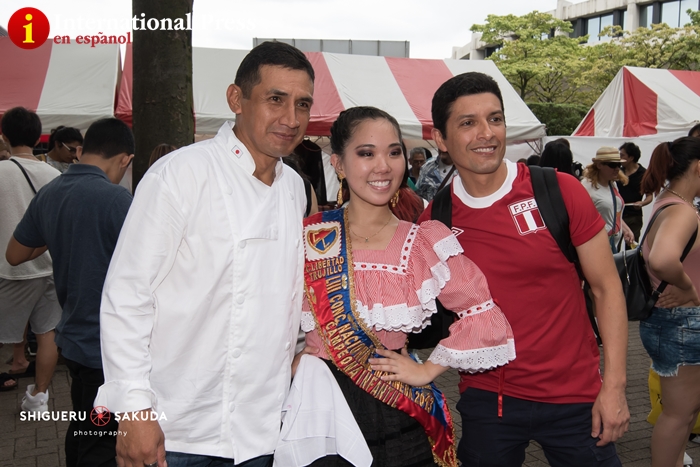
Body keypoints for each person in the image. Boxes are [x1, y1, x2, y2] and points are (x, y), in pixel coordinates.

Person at [93, 41, 315, 467]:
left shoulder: (293, 188)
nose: (291, 119)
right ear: (236, 99)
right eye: (275, 99)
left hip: (265, 427)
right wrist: (134, 409)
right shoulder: (180, 174)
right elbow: (127, 295)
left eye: (302, 104)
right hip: (178, 429)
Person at [419, 72, 630, 466]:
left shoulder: (559, 190)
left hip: (575, 399)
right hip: (488, 402)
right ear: (441, 139)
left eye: (495, 119)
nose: (486, 133)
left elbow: (606, 289)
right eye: (468, 123)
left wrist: (615, 386)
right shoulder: (435, 220)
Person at [295, 106, 515, 467]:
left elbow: (481, 312)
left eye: (394, 152)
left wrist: (428, 369)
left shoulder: (423, 241)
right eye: (366, 153)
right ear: (338, 164)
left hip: (396, 407)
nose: (383, 166)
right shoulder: (311, 236)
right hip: (320, 407)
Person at [6, 117, 134, 466]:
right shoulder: (117, 199)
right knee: (100, 443)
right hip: (106, 345)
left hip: (73, 338)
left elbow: (14, 254)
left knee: (82, 425)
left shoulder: (51, 193)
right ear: (124, 159)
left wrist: (57, 233)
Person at [639, 137, 700, 467]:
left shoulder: (668, 201)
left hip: (673, 322)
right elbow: (662, 260)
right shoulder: (682, 210)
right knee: (679, 414)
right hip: (682, 322)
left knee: (684, 412)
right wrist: (689, 288)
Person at [0, 107, 61, 402]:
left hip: (9, 268)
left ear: (4, 136)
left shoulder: (1, 172)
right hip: (49, 267)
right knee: (47, 333)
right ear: (38, 138)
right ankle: (39, 396)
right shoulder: (55, 175)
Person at [582, 147, 635, 252]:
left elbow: (613, 211)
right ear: (599, 165)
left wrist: (626, 229)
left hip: (612, 245)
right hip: (596, 247)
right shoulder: (586, 187)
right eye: (612, 165)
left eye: (619, 165)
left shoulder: (612, 184)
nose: (617, 169)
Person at [618, 142, 652, 243]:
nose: (619, 158)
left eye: (622, 155)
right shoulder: (618, 172)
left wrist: (642, 203)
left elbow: (649, 196)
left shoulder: (644, 174)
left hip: (634, 216)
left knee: (632, 244)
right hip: (618, 215)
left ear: (631, 158)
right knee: (614, 244)